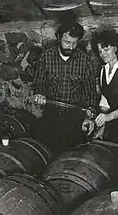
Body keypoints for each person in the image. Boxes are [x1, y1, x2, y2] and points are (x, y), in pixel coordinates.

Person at [32, 19, 98, 154]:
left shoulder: (84, 60)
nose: (71, 47)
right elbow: (39, 83)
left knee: (72, 155)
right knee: (49, 152)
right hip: (52, 115)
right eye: (67, 42)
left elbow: (90, 92)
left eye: (75, 43)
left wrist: (89, 115)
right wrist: (39, 93)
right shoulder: (46, 57)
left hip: (76, 116)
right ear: (58, 37)